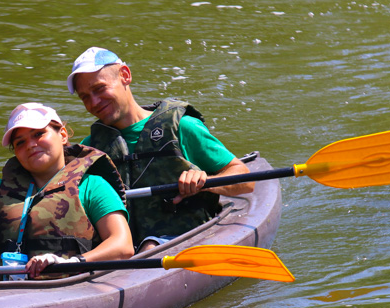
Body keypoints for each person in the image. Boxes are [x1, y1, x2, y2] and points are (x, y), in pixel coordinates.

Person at [66, 47, 254, 252]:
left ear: (125, 76)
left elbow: (246, 179)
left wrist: (205, 182)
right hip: (119, 247)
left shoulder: (183, 128)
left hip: (179, 238)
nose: (93, 102)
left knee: (149, 247)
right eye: (85, 97)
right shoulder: (90, 150)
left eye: (100, 89)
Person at [0, 102, 133, 279]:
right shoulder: (0, 189)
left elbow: (123, 246)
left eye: (38, 134)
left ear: (62, 134)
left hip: (68, 287)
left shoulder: (93, 186)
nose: (30, 145)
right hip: (0, 292)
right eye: (20, 142)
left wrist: (73, 262)